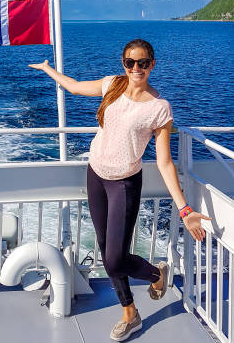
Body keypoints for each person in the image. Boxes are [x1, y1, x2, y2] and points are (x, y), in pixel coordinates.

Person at [29, 38, 211, 342]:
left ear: (152, 64)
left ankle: (156, 275)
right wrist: (49, 69)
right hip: (96, 175)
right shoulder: (112, 85)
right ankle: (130, 314)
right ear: (123, 64)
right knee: (105, 249)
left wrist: (185, 209)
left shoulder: (159, 108)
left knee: (114, 259)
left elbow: (165, 162)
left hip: (124, 184)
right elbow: (73, 87)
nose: (136, 68)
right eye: (130, 62)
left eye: (142, 63)